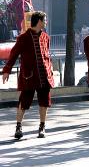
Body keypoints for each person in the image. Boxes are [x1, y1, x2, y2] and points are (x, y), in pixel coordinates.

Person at [2, 11, 54, 139]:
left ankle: (42, 127)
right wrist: (7, 70)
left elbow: (47, 56)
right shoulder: (23, 38)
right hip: (29, 76)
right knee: (24, 102)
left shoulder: (46, 37)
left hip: (44, 75)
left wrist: (50, 70)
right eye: (45, 20)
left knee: (44, 102)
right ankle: (18, 126)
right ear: (39, 21)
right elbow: (13, 54)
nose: (46, 22)